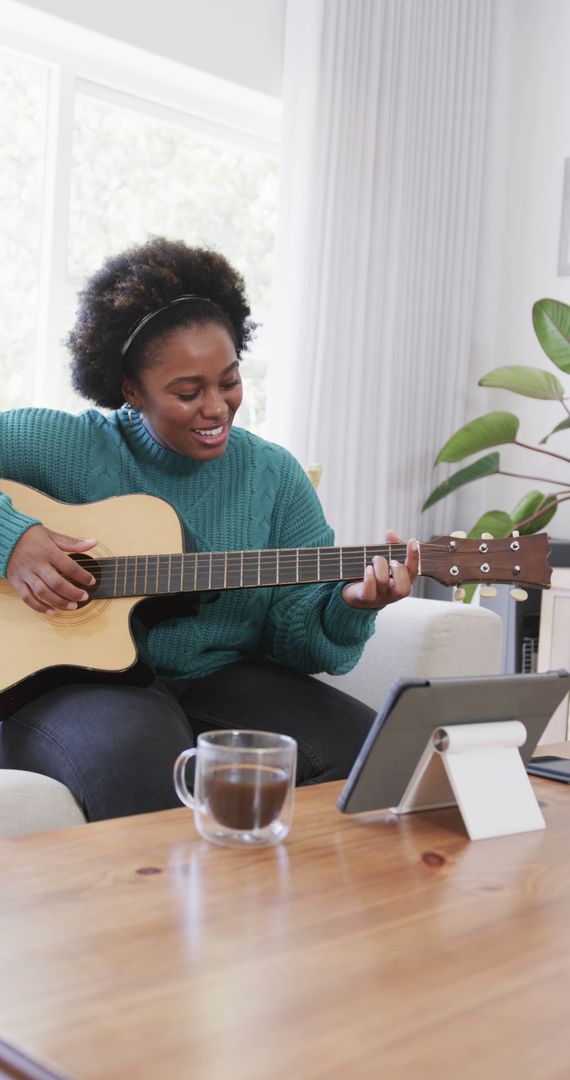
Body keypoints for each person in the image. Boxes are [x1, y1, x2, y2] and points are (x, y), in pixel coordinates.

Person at [0, 238, 418, 820]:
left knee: (376, 758)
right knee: (144, 758)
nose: (217, 407)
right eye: (188, 392)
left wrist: (351, 604)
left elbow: (297, 641)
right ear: (129, 388)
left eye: (229, 381)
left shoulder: (273, 476)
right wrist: (12, 538)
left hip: (215, 677)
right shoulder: (62, 445)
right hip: (63, 682)